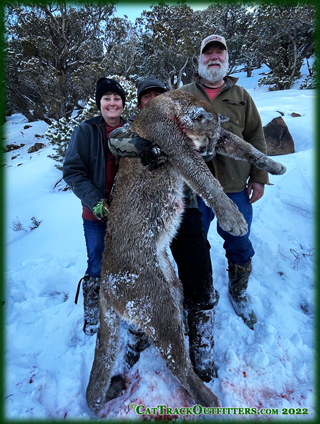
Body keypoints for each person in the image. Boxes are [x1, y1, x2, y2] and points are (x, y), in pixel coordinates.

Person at [109, 76, 220, 382]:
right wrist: (151, 145)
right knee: (141, 278)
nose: (154, 100)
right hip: (142, 216)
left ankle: (202, 348)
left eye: (159, 95)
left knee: (198, 271)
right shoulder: (134, 128)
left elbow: (208, 148)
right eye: (148, 97)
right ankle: (140, 332)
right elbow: (117, 141)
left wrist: (171, 149)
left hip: (185, 211)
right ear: (141, 103)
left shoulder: (185, 126)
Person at [179, 34, 271, 330]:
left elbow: (256, 135)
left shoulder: (242, 96)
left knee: (240, 243)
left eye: (220, 52)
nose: (214, 57)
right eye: (208, 53)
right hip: (194, 191)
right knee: (193, 247)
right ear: (199, 60)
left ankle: (238, 291)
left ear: (227, 60)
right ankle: (195, 295)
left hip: (234, 189)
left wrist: (259, 176)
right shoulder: (183, 95)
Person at [63, 77, 127, 337]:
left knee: (124, 262)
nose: (112, 103)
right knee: (98, 263)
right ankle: (93, 312)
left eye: (116, 98)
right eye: (106, 98)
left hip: (127, 214)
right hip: (95, 213)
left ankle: (121, 306)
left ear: (123, 103)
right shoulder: (85, 130)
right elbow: (73, 172)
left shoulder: (134, 130)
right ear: (99, 103)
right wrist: (95, 202)